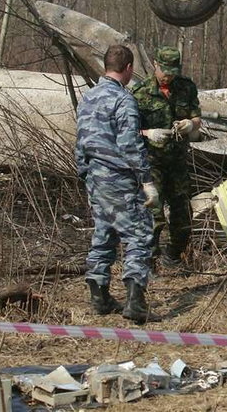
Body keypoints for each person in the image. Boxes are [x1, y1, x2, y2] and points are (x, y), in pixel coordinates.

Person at [76, 45, 158, 324]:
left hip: (95, 178)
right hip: (119, 178)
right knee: (139, 235)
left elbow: (81, 140)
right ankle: (135, 301)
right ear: (129, 68)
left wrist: (85, 173)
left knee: (104, 232)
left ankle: (99, 297)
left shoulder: (88, 97)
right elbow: (130, 144)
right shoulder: (123, 100)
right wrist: (146, 180)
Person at [132, 46, 201, 269]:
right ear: (155, 64)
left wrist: (190, 124)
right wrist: (148, 133)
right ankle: (148, 261)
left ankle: (174, 256)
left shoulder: (186, 88)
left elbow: (197, 118)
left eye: (173, 71)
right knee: (153, 213)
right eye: (165, 70)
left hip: (178, 161)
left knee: (182, 212)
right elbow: (128, 131)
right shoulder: (140, 92)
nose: (168, 76)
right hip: (152, 162)